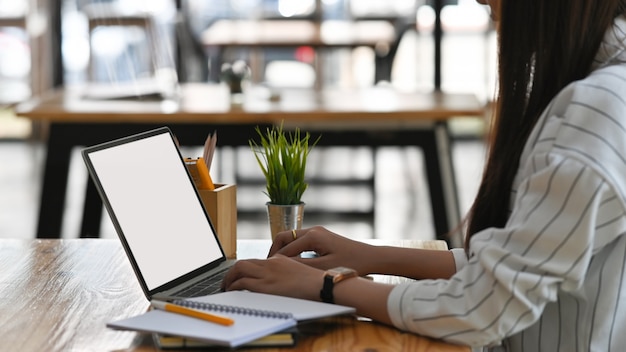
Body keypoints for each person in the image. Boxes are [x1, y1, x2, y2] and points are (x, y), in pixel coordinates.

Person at [222, 0, 626, 350]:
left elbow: (483, 306)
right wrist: (367, 257)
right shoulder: (604, 89)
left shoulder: (596, 112)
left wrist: (327, 286)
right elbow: (526, 262)